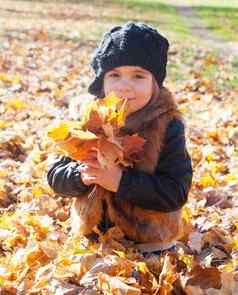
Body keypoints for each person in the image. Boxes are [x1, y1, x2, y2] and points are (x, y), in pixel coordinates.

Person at [47, 21, 193, 258]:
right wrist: (80, 174)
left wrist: (120, 181)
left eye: (138, 76)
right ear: (101, 82)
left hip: (149, 246)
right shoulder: (87, 121)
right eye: (114, 75)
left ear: (155, 83)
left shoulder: (167, 126)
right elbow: (55, 175)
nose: (125, 85)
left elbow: (176, 192)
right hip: (91, 240)